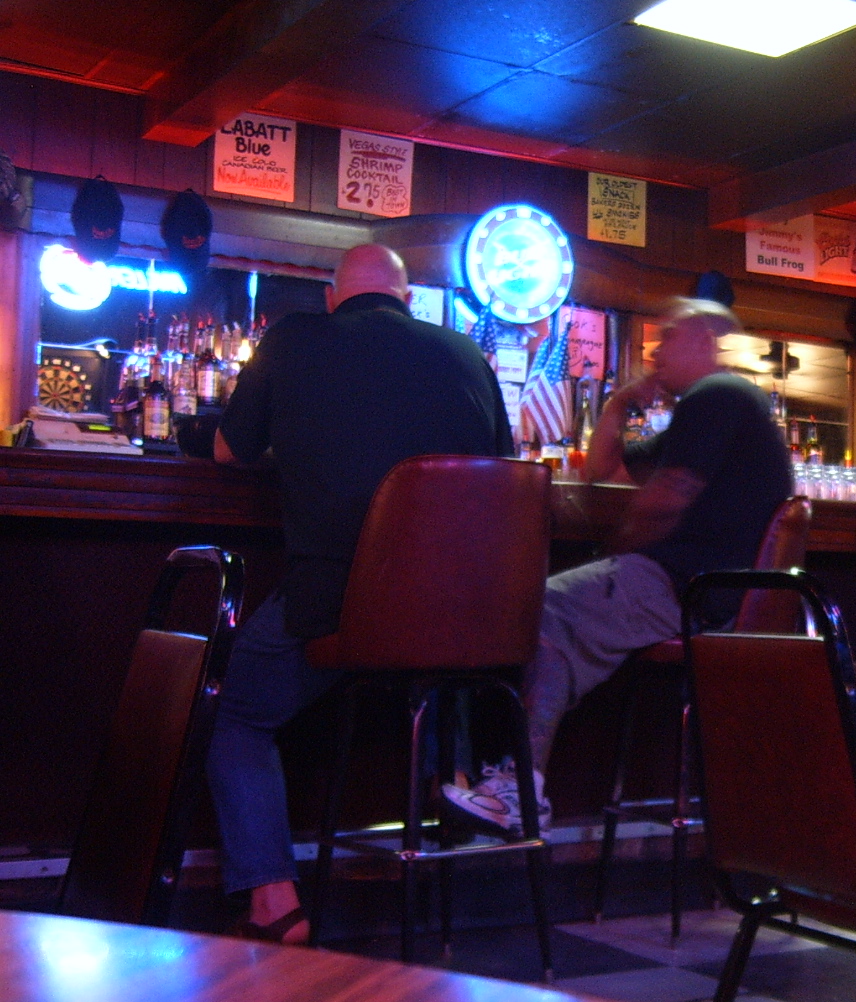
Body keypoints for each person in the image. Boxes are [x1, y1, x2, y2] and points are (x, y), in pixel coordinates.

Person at [205, 243, 513, 945]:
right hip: (464, 620)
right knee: (425, 675)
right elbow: (503, 475)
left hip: (347, 607)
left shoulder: (292, 339)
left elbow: (229, 451)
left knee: (235, 709)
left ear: (330, 296)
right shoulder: (467, 355)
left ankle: (275, 904)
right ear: (408, 300)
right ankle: (452, 782)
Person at [440, 297, 793, 836]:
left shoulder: (718, 395)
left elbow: (666, 497)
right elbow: (601, 472)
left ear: (702, 338)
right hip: (702, 591)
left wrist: (618, 550)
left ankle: (517, 788)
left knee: (535, 610)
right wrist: (620, 402)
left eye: (668, 336)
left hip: (691, 589)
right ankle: (519, 785)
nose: (654, 350)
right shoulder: (706, 410)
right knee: (549, 622)